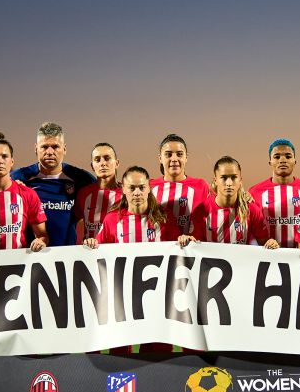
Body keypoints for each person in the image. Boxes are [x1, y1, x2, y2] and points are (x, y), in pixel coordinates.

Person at [84, 165, 178, 354]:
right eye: (132, 188)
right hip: (122, 296)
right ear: (124, 189)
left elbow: (178, 252)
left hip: (155, 297)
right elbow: (99, 249)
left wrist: (185, 241)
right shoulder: (112, 220)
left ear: (149, 188)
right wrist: (92, 243)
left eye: (141, 187)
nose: (137, 192)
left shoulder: (164, 219)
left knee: (158, 349)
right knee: (120, 348)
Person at [10, 122, 96, 247]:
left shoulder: (82, 178)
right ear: (36, 148)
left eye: (55, 147)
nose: (50, 152)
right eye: (44, 147)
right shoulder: (19, 176)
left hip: (67, 256)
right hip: (30, 255)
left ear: (64, 149)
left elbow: (106, 192)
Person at [188, 157, 278, 248]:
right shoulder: (201, 210)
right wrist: (187, 240)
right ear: (215, 180)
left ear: (240, 180)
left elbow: (264, 241)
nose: (229, 183)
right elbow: (195, 246)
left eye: (234, 177)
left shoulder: (251, 209)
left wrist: (270, 243)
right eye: (224, 177)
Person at [250, 139, 300, 250]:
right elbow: (250, 228)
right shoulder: (255, 192)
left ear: (295, 161)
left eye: (288, 156)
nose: (282, 160)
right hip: (266, 257)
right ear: (270, 161)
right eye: (277, 157)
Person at [151, 134, 211, 238]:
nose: (174, 159)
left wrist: (244, 197)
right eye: (168, 154)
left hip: (192, 251)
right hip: (161, 251)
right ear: (160, 158)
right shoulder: (149, 186)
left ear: (186, 157)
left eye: (179, 154)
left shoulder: (201, 186)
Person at [75, 142, 123, 243]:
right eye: (97, 160)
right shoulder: (84, 193)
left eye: (107, 158)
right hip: (91, 254)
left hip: (119, 253)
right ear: (92, 166)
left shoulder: (127, 193)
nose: (103, 163)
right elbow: (76, 225)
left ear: (117, 163)